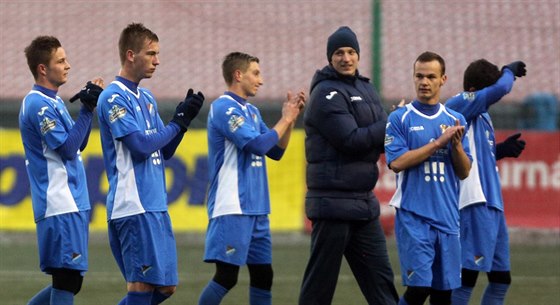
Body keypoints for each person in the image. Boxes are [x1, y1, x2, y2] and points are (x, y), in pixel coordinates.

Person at [97, 23, 204, 305]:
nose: (157, 60)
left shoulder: (145, 97)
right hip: (133, 204)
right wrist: (177, 122)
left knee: (166, 287)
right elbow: (141, 146)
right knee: (141, 287)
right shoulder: (113, 96)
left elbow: (165, 149)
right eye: (151, 53)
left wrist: (183, 121)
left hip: (155, 204)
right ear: (131, 55)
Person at [299, 26, 399, 305]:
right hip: (332, 204)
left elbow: (382, 139)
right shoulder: (326, 94)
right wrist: (390, 123)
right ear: (330, 58)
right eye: (339, 52)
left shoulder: (366, 88)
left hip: (363, 204)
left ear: (358, 55)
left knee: (382, 283)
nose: (346, 58)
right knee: (319, 289)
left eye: (351, 52)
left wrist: (394, 128)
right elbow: (351, 140)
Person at [198, 52, 305, 305]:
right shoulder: (224, 107)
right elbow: (257, 145)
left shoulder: (252, 112)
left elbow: (275, 151)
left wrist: (291, 121)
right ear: (238, 75)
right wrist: (285, 118)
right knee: (226, 277)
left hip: (256, 207)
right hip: (233, 205)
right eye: (256, 73)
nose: (261, 80)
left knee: (262, 274)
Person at [19, 35, 104, 305]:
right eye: (61, 60)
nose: (68, 65)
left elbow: (78, 144)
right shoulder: (37, 104)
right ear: (43, 68)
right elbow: (67, 149)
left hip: (71, 200)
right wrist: (87, 109)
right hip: (58, 202)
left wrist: (87, 111)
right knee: (66, 279)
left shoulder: (54, 101)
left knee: (71, 280)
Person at [384, 51, 472, 305]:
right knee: (419, 290)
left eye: (431, 76)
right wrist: (438, 143)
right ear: (413, 78)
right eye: (419, 76)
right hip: (414, 217)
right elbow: (397, 163)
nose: (424, 82)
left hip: (447, 219)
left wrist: (455, 148)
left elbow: (464, 171)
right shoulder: (400, 118)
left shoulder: (455, 120)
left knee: (443, 294)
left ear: (442, 79)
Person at [446, 59, 527, 305]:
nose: (493, 100)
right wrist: (508, 72)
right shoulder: (460, 104)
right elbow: (502, 88)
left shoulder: (482, 117)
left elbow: (480, 156)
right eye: (487, 93)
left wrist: (501, 150)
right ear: (474, 90)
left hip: (493, 205)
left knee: (501, 280)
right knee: (466, 278)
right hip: (475, 202)